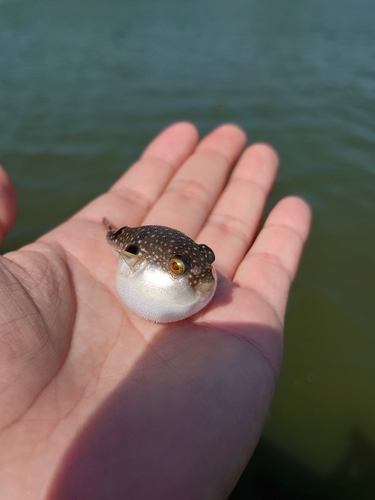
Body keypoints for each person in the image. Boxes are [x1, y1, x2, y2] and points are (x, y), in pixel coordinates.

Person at [0, 123, 311, 499]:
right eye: (180, 269)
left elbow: (198, 268)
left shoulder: (200, 270)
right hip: (135, 240)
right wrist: (116, 237)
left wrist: (193, 264)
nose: (203, 276)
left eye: (207, 261)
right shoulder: (129, 252)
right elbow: (123, 245)